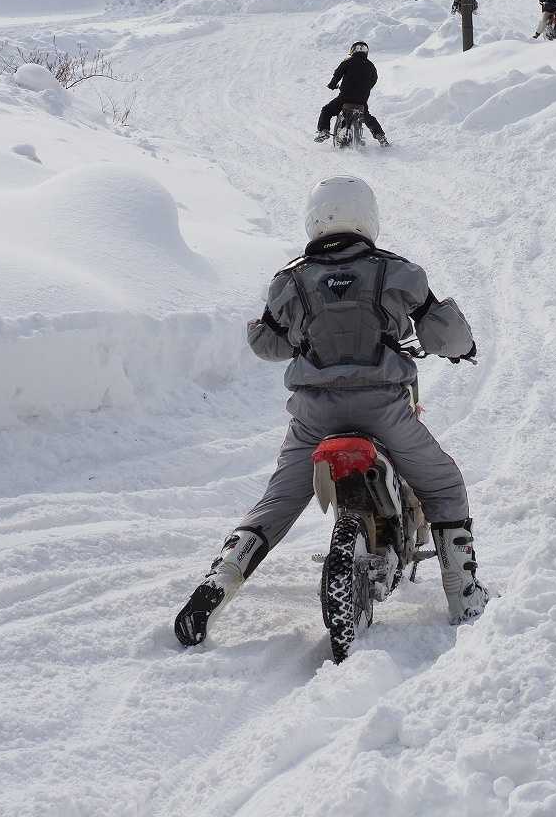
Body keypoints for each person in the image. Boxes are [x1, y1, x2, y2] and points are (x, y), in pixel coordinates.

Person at [173, 176, 492, 646]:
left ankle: (219, 580)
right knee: (442, 484)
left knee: (278, 501)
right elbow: (444, 333)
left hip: (314, 417)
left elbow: (267, 344)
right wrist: (464, 348)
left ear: (314, 219)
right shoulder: (397, 271)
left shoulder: (289, 280)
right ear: (368, 217)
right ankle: (464, 596)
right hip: (384, 408)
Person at [315, 41, 389, 146]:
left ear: (353, 50)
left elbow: (337, 74)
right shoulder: (371, 65)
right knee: (367, 117)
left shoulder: (348, 61)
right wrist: (365, 89)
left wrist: (332, 85)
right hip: (362, 101)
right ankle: (380, 136)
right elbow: (374, 80)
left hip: (345, 98)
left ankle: (323, 131)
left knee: (326, 110)